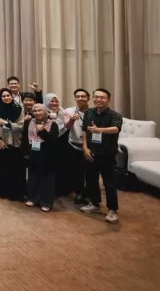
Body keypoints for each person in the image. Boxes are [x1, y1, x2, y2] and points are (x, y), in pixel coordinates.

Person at [80, 88, 122, 224]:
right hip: (91, 152)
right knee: (91, 180)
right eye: (96, 97)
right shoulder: (89, 113)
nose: (98, 99)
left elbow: (116, 129)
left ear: (108, 100)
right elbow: (84, 130)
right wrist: (85, 148)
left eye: (102, 97)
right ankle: (94, 204)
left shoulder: (114, 115)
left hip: (107, 154)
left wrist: (100, 130)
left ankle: (112, 210)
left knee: (109, 183)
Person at [23, 103, 59, 212]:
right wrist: (25, 152)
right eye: (35, 111)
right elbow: (24, 137)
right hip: (33, 153)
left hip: (47, 155)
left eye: (40, 110)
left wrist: (42, 131)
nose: (37, 113)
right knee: (33, 176)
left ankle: (46, 202)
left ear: (45, 112)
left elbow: (53, 142)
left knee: (46, 179)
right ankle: (32, 198)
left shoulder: (53, 124)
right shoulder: (29, 122)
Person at [0, 88, 26, 201]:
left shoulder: (19, 108)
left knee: (16, 169)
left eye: (8, 95)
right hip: (3, 142)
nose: (6, 98)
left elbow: (21, 126)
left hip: (16, 143)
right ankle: (4, 191)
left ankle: (16, 193)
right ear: (0, 97)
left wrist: (6, 123)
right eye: (4, 96)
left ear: (12, 96)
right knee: (3, 168)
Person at [64, 89, 90, 204]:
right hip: (73, 144)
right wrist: (71, 120)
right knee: (76, 171)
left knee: (89, 172)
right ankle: (79, 192)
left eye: (83, 96)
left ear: (88, 98)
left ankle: (89, 194)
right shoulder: (69, 111)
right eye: (78, 96)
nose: (80, 98)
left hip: (89, 146)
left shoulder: (93, 112)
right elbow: (67, 127)